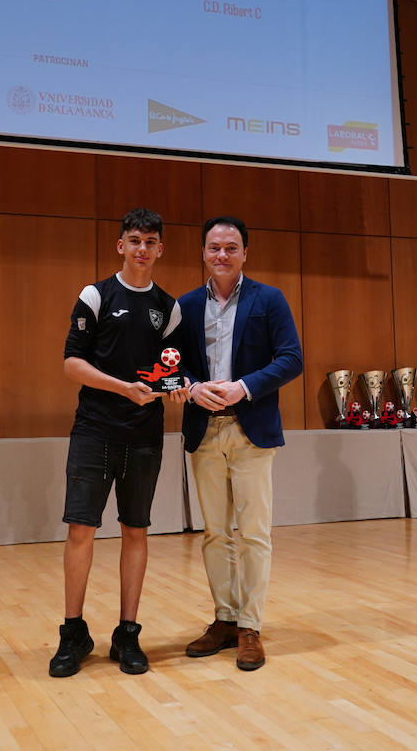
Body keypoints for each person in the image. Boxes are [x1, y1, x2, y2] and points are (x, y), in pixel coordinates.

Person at [50, 208, 186, 677]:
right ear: (120, 246)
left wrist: (177, 387)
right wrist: (122, 387)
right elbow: (72, 363)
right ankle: (73, 633)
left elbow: (171, 370)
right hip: (94, 430)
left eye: (151, 241)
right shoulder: (96, 294)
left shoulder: (170, 308)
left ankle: (127, 635)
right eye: (134, 240)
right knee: (80, 531)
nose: (142, 249)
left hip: (144, 437)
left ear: (160, 248)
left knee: (136, 531)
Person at [177, 216, 303, 671]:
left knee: (253, 533)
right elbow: (173, 365)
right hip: (204, 430)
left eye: (232, 247)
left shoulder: (269, 299)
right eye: (214, 248)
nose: (223, 255)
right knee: (214, 534)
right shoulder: (186, 305)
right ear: (204, 253)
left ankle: (251, 626)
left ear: (245, 253)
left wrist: (244, 387)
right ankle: (224, 620)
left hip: (251, 428)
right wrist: (192, 387)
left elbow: (292, 359)